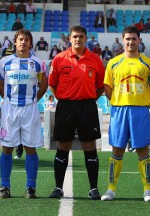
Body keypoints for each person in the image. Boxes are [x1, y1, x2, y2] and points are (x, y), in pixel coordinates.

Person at [101, 26, 150, 202]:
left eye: (134, 38)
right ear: (122, 40)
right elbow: (107, 87)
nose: (130, 42)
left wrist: (146, 102)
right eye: (127, 39)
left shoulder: (148, 63)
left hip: (140, 110)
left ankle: (147, 190)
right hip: (119, 110)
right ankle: (111, 189)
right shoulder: (113, 63)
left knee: (143, 150)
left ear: (139, 40)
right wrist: (117, 101)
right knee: (117, 150)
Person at [48, 25, 105, 199]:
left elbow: (101, 87)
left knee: (89, 146)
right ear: (69, 39)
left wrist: (87, 98)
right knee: (63, 145)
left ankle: (93, 188)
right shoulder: (59, 59)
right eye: (75, 36)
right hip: (65, 106)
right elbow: (52, 84)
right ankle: (58, 187)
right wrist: (65, 98)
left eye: (81, 36)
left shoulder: (95, 60)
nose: (78, 39)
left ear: (86, 38)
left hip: (87, 107)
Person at [0, 29, 48, 199]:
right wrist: (8, 100)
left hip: (30, 108)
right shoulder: (5, 62)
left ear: (30, 43)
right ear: (15, 42)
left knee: (30, 148)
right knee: (7, 147)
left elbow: (44, 85)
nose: (23, 42)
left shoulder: (39, 63)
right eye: (20, 39)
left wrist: (33, 99)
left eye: (26, 40)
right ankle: (5, 186)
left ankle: (30, 187)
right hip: (9, 108)